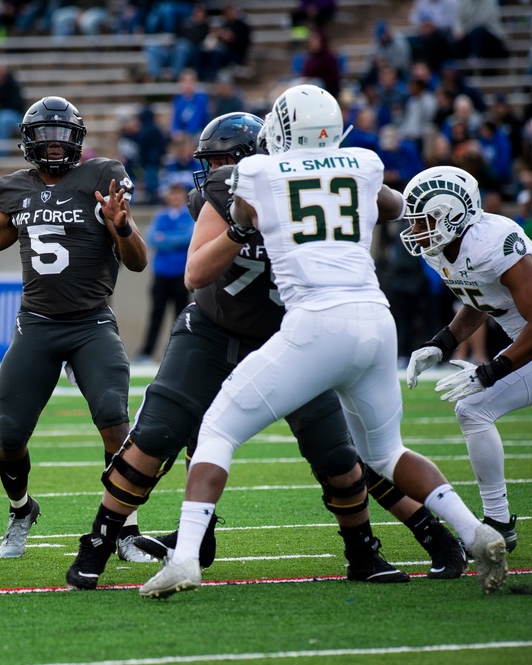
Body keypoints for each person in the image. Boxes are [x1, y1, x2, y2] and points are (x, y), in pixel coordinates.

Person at [139, 85, 508, 599]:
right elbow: (397, 206)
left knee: (217, 430)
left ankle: (185, 561)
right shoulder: (362, 162)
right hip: (376, 321)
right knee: (387, 451)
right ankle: (477, 533)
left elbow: (242, 222)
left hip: (316, 320)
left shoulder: (258, 172)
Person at [66, 112, 463, 590]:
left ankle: (373, 547)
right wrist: (238, 227)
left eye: (221, 160)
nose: (214, 171)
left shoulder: (310, 189)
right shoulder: (222, 193)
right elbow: (195, 273)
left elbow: (391, 205)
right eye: (210, 162)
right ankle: (99, 541)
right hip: (212, 329)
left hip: (290, 336)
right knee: (156, 434)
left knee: (338, 453)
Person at [0, 95, 149, 560]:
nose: (53, 146)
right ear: (29, 142)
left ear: (77, 140)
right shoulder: (16, 188)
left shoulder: (102, 177)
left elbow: (137, 262)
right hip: (36, 325)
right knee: (10, 436)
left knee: (115, 421)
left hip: (92, 323)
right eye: (44, 137)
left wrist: (123, 227)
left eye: (61, 137)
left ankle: (126, 528)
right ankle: (20, 509)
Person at [400, 165, 532, 554]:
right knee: (472, 409)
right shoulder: (442, 249)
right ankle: (499, 523)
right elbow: (478, 300)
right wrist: (440, 344)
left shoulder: (496, 241)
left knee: (474, 405)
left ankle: (499, 522)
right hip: (523, 340)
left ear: (450, 215)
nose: (415, 228)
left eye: (423, 219)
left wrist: (492, 371)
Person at [136, 181, 191, 362]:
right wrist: (172, 240)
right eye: (172, 195)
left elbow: (187, 238)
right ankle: (147, 353)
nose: (175, 199)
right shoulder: (161, 216)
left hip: (181, 275)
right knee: (156, 315)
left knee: (181, 317)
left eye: (178, 195)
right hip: (161, 275)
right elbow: (152, 239)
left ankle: (178, 354)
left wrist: (166, 239)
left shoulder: (188, 216)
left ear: (183, 197)